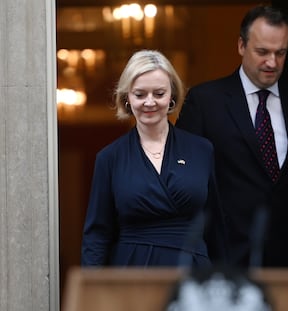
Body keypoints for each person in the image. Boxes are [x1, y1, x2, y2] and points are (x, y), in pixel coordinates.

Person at [176, 6, 288, 267]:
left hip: (286, 263)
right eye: (262, 52)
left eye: (281, 53)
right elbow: (187, 186)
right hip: (224, 261)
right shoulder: (205, 101)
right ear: (241, 45)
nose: (272, 62)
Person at [81, 49, 227, 267]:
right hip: (133, 274)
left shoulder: (201, 150)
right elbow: (97, 235)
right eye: (140, 94)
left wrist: (224, 283)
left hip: (192, 274)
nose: (149, 102)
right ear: (127, 98)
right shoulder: (109, 158)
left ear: (172, 97)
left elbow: (216, 227)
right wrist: (93, 294)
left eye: (159, 93)